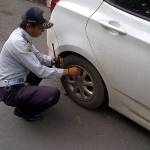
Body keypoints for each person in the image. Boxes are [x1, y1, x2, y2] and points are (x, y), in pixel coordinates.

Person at [0, 7, 80, 121]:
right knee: (53, 94)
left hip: (19, 80)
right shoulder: (18, 43)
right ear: (28, 26)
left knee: (47, 64)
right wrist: (67, 72)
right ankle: (24, 111)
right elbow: (40, 71)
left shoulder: (22, 35)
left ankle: (28, 95)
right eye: (40, 28)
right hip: (10, 90)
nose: (42, 31)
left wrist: (52, 61)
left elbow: (38, 56)